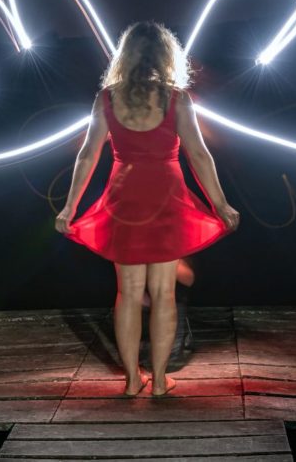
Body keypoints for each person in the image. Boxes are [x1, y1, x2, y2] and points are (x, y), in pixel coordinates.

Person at [53, 20, 241, 397]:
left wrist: (69, 208)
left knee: (128, 292)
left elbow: (88, 155)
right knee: (164, 292)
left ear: (126, 56)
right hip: (167, 197)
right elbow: (199, 156)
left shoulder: (106, 99)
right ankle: (157, 381)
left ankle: (130, 381)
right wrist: (221, 204)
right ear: (165, 56)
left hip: (125, 199)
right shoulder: (177, 99)